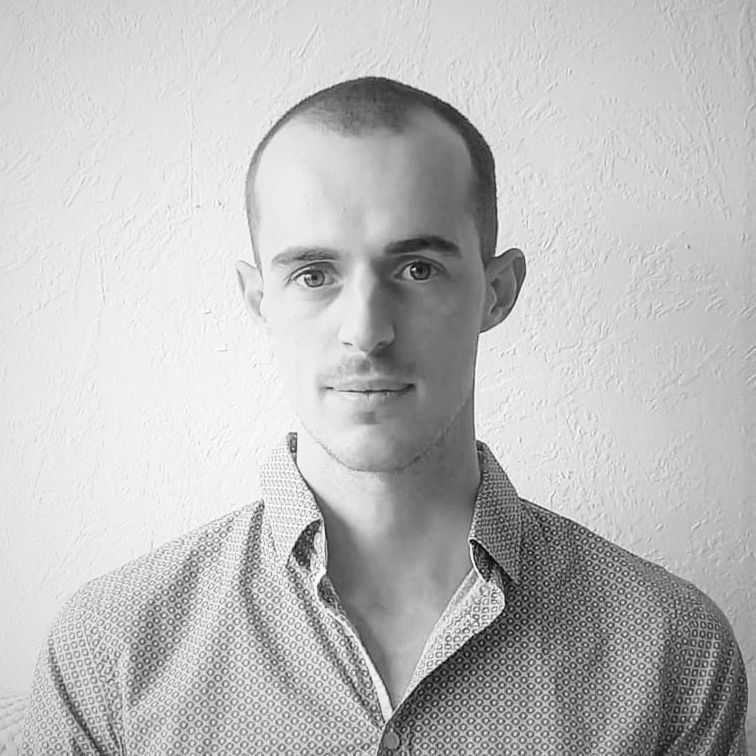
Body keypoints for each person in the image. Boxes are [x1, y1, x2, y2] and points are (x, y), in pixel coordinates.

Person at [22, 77, 748, 755]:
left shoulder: (672, 654)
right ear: (260, 300)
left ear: (497, 291)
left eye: (417, 269)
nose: (366, 331)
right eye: (314, 274)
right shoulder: (108, 651)